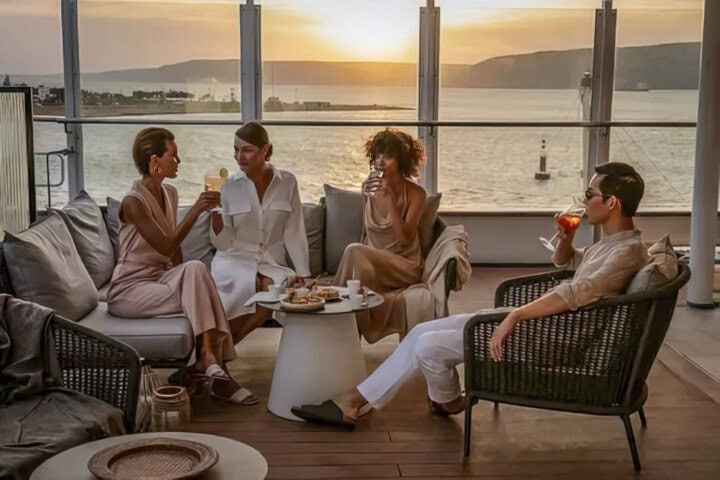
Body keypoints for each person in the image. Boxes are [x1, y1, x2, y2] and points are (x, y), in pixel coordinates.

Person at [292, 162, 651, 428]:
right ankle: (383, 400)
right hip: (547, 324)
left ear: (612, 203)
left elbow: (575, 291)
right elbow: (568, 264)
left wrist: (515, 315)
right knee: (422, 332)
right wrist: (568, 240)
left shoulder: (626, 253)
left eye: (589, 195)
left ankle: (410, 401)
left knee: (428, 347)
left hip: (552, 338)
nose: (584, 201)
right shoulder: (612, 246)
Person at [107, 127, 257, 405]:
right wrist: (197, 210)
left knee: (196, 269)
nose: (179, 161)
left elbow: (174, 251)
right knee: (200, 291)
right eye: (173, 156)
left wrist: (187, 277)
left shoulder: (170, 193)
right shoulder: (132, 202)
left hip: (160, 279)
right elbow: (165, 245)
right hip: (130, 290)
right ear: (155, 162)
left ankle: (207, 359)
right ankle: (214, 366)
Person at [210, 122, 310, 343]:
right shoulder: (228, 185)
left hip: (271, 261)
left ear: (264, 149)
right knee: (250, 285)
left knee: (272, 289)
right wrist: (215, 215)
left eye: (247, 150)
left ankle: (223, 348)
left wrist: (304, 272)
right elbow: (223, 244)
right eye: (236, 149)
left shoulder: (288, 182)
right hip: (234, 258)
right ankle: (220, 350)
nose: (239, 156)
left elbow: (294, 230)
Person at [335, 128, 427, 343]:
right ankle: (347, 342)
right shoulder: (368, 188)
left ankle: (331, 310)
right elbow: (366, 233)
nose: (380, 162)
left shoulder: (416, 194)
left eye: (388, 156)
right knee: (358, 274)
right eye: (377, 156)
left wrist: (390, 201)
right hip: (374, 265)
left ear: (401, 160)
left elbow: (404, 239)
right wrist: (361, 263)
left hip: (403, 266)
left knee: (353, 251)